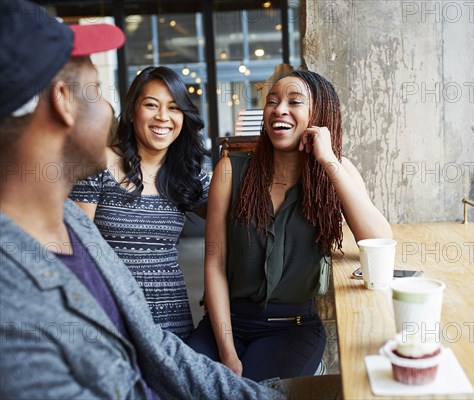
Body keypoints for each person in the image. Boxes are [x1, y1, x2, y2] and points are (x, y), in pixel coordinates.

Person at [1, 1, 340, 398]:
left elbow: (162, 353)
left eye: (174, 108)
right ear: (63, 101)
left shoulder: (73, 230)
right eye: (95, 90)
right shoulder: (16, 304)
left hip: (177, 318)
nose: (109, 107)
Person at [187, 68, 393, 381]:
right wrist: (227, 352)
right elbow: (214, 265)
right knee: (184, 386)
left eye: (294, 102)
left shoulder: (337, 171)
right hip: (227, 324)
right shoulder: (230, 171)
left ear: (318, 114)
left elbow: (379, 241)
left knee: (257, 392)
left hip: (292, 329)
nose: (279, 109)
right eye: (272, 101)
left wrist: (328, 161)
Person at [69, 66, 209, 340]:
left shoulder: (187, 175)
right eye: (151, 105)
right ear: (133, 112)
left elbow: (235, 217)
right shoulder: (98, 164)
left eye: (174, 108)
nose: (163, 117)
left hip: (171, 314)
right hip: (110, 309)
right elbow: (75, 248)